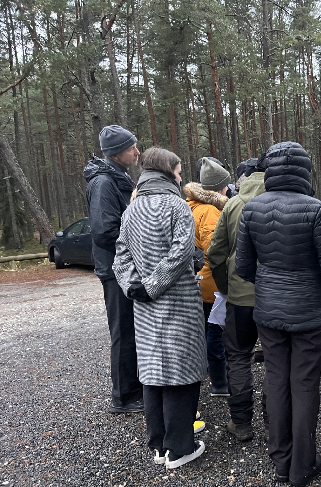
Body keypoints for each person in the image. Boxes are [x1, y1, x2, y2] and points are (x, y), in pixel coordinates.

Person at [236, 141, 321, 487]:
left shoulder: (252, 209)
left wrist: (270, 286)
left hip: (269, 312)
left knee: (276, 380)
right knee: (305, 384)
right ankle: (302, 466)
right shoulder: (317, 210)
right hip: (309, 314)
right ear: (304, 171)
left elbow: (243, 267)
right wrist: (318, 291)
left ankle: (282, 461)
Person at [113, 147, 208, 468]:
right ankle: (179, 448)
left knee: (153, 372)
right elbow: (182, 252)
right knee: (182, 372)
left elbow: (120, 256)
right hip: (178, 303)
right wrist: (153, 285)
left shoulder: (132, 209)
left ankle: (159, 445)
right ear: (168, 171)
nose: (181, 177)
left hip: (145, 306)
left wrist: (133, 287)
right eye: (179, 171)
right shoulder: (177, 206)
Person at [207, 157, 268, 442]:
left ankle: (241, 422)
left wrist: (226, 287)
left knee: (239, 356)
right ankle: (274, 420)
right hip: (275, 297)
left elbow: (216, 253)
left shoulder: (233, 205)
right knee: (276, 358)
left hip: (240, 298)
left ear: (243, 179)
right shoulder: (283, 200)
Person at [83, 125, 143, 414]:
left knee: (133, 328)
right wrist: (139, 244)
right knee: (123, 331)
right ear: (117, 153)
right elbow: (103, 230)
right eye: (132, 148)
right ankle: (124, 397)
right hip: (115, 269)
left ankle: (136, 387)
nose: (137, 152)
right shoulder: (103, 183)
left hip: (125, 266)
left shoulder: (119, 177)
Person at [184, 157, 230, 397]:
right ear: (220, 187)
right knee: (215, 334)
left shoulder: (190, 206)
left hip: (197, 282)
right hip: (211, 283)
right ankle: (220, 382)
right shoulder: (210, 211)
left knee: (203, 333)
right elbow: (215, 251)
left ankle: (205, 376)